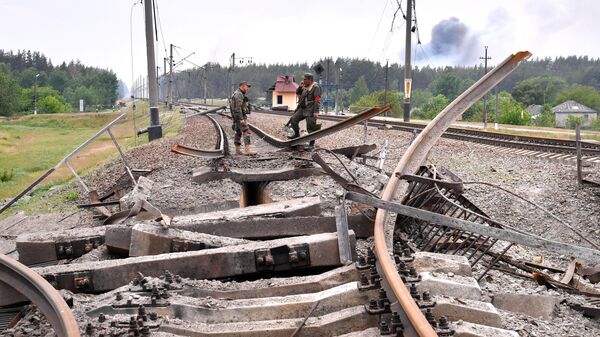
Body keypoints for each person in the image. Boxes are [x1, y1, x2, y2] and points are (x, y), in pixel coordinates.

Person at [288, 73, 321, 148]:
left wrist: (316, 111)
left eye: (305, 79)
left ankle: (311, 144)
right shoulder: (305, 86)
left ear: (310, 80)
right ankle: (296, 135)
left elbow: (317, 99)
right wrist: (300, 86)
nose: (303, 80)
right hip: (302, 108)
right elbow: (298, 92)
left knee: (311, 127)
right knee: (293, 119)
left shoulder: (315, 87)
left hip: (311, 109)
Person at [229, 81, 256, 155]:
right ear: (242, 86)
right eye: (247, 86)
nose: (248, 88)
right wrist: (241, 119)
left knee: (238, 132)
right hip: (240, 116)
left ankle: (237, 151)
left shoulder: (236, 93)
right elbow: (238, 108)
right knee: (246, 131)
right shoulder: (239, 94)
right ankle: (248, 151)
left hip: (236, 116)